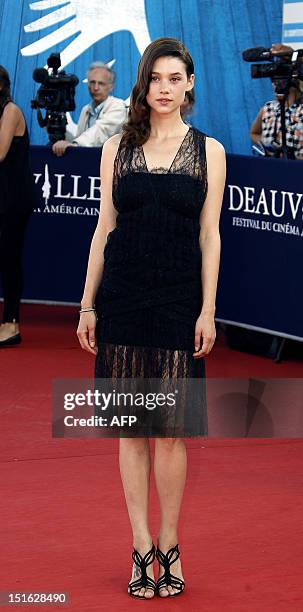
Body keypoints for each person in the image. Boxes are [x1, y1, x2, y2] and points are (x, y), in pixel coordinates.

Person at [77, 38, 226, 598]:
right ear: (144, 85)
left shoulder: (208, 150)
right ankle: (140, 545)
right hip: (122, 297)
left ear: (189, 84)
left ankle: (169, 541)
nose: (163, 89)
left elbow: (210, 236)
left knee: (170, 434)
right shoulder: (117, 146)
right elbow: (102, 229)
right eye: (155, 79)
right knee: (132, 430)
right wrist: (88, 304)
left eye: (174, 78)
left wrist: (208, 309)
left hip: (178, 302)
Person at [0, 66, 35, 347]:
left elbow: (0, 152)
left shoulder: (10, 111)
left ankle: (11, 323)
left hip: (13, 197)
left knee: (9, 257)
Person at [52, 62, 127, 156]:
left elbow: (101, 132)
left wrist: (75, 144)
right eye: (92, 82)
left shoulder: (118, 106)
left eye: (101, 83)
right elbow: (79, 138)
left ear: (111, 87)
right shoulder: (86, 109)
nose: (95, 88)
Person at [250, 43, 303, 159]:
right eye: (273, 80)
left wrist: (292, 55)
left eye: (280, 80)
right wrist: (266, 147)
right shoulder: (268, 109)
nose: (275, 84)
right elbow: (253, 133)